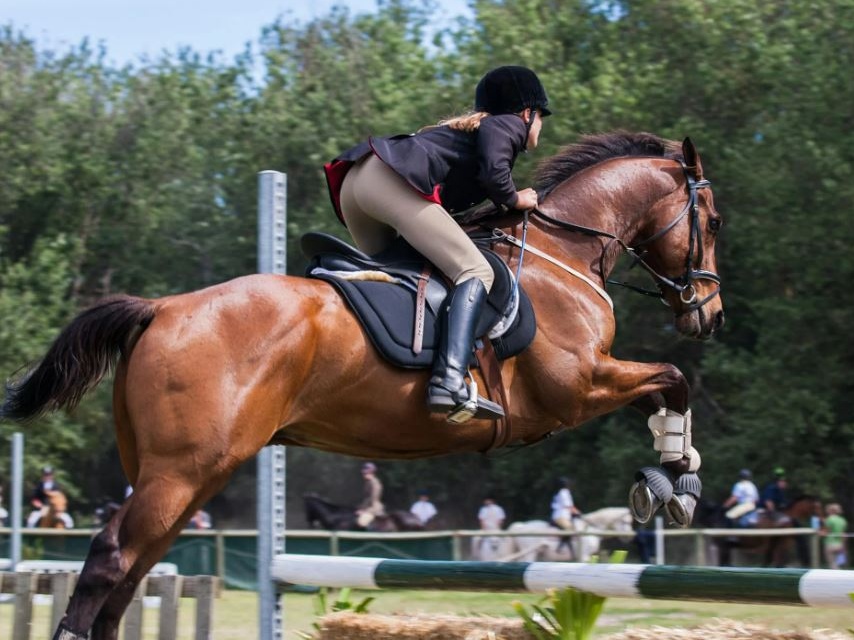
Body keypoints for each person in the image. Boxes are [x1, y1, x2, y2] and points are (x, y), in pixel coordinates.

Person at [324, 65, 551, 423]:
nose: (541, 127)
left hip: (357, 185)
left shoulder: (463, 133)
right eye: (541, 118)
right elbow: (495, 174)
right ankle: (448, 379)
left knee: (401, 277)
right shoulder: (504, 124)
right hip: (387, 183)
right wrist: (515, 199)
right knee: (476, 270)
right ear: (527, 113)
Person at [356, 462, 385, 528]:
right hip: (367, 507)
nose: (363, 474)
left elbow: (373, 499)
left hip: (373, 508)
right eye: (363, 473)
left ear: (371, 472)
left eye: (365, 472)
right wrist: (360, 507)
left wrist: (363, 510)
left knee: (361, 522)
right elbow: (366, 499)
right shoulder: (368, 482)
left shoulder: (375, 483)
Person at [822, 503, 847, 569]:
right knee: (839, 564)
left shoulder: (829, 519)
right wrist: (843, 546)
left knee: (832, 564)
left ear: (831, 510)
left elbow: (826, 532)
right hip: (839, 544)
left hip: (830, 544)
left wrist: (819, 532)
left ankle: (837, 578)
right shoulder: (842, 520)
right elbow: (843, 534)